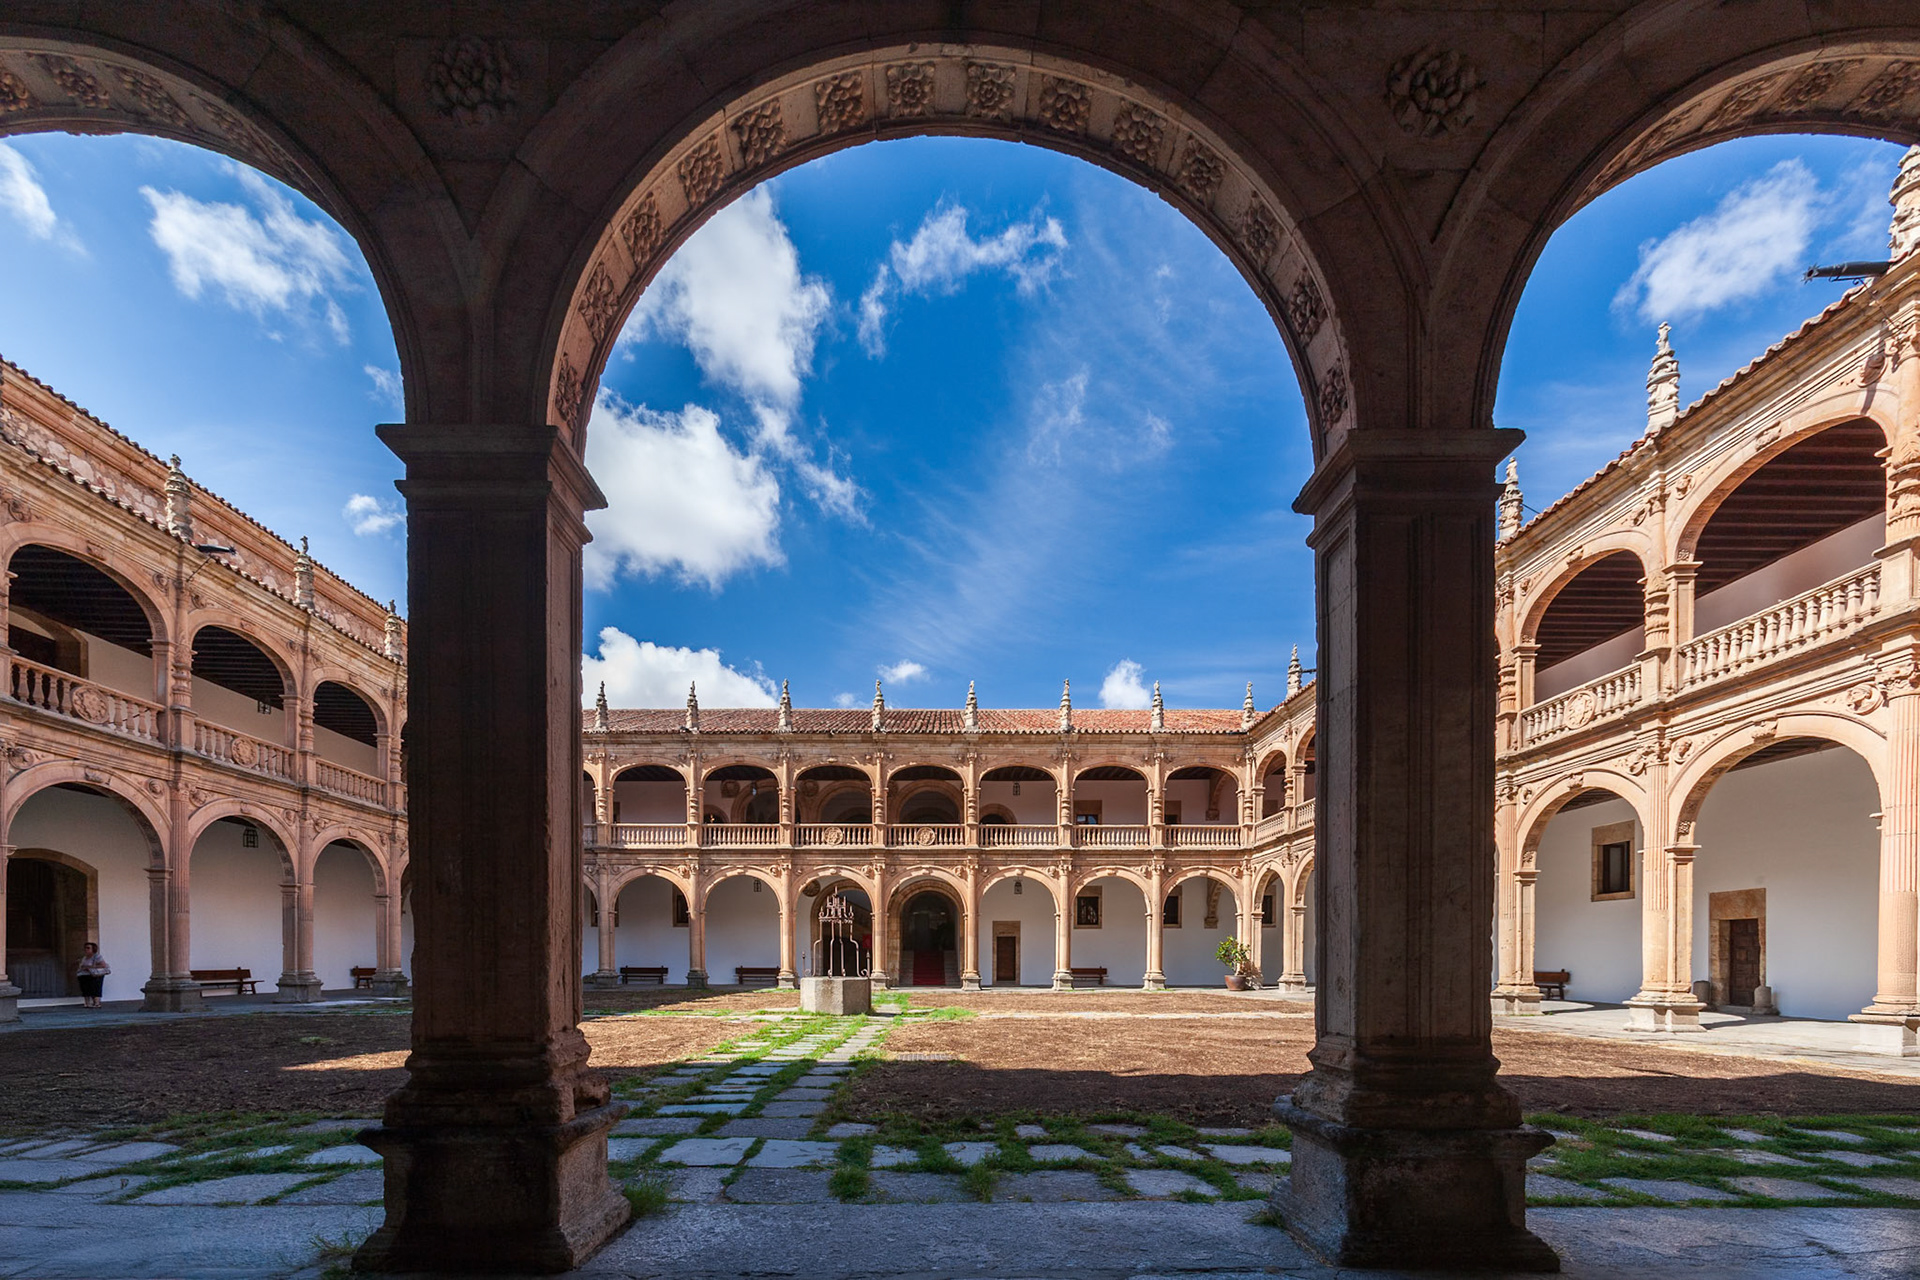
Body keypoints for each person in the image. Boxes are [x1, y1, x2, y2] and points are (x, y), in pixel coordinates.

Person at [75, 942, 110, 1009]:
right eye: (85, 948)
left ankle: (97, 1003)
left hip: (95, 975)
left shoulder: (97, 956)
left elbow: (103, 965)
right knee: (85, 989)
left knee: (96, 987)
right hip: (84, 975)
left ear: (93, 949)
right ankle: (87, 1003)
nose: (86, 949)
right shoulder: (84, 958)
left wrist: (89, 967)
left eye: (88, 948)